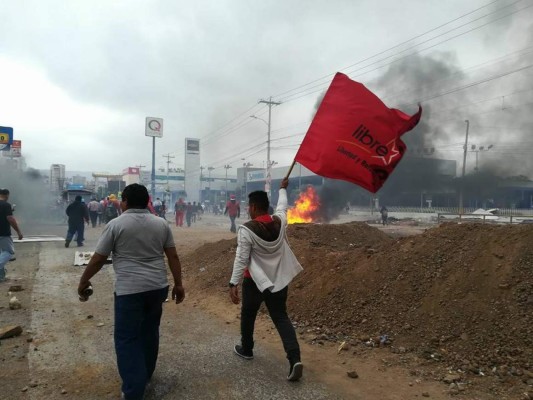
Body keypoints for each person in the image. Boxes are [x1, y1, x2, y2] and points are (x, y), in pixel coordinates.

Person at [77, 183, 185, 400]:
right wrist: (179, 284)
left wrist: (84, 280)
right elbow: (172, 256)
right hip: (157, 287)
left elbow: (98, 258)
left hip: (129, 291)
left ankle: (133, 390)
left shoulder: (116, 224)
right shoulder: (161, 224)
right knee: (150, 330)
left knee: (127, 338)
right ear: (147, 201)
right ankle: (145, 374)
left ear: (124, 202)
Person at [228, 178, 304, 381]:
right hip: (279, 279)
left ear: (253, 207)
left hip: (254, 281)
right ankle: (294, 358)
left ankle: (247, 348)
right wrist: (282, 190)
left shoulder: (246, 230)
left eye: (248, 207)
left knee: (248, 314)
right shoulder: (279, 222)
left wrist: (233, 283)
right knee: (280, 317)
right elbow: (282, 207)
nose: (247, 210)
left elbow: (241, 257)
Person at [0, 189, 23, 282]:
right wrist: (18, 231)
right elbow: (10, 219)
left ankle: (1, 276)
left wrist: (11, 210)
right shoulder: (6, 205)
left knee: (2, 254)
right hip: (3, 233)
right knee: (9, 252)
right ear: (6, 195)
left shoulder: (7, 206)